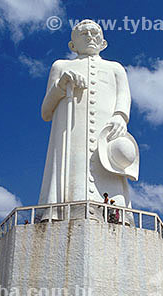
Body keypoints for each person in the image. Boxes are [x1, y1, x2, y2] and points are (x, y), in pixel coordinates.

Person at [38, 19, 138, 210]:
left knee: (109, 168)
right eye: (84, 33)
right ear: (72, 45)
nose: (90, 37)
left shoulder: (115, 68)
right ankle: (63, 209)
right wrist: (61, 86)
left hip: (107, 132)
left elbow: (124, 95)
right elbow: (45, 112)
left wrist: (120, 116)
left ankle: (114, 212)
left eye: (95, 33)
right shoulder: (60, 66)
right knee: (74, 172)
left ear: (104, 43)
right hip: (71, 134)